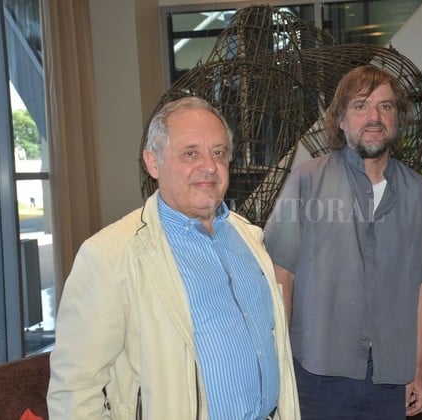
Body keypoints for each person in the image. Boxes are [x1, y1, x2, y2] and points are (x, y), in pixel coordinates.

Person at [47, 96, 300, 419]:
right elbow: (74, 393)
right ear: (153, 162)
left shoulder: (249, 239)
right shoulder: (109, 256)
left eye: (218, 152)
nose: (209, 167)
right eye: (190, 153)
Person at [264, 65, 422, 419]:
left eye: (385, 106)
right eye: (360, 106)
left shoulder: (420, 193)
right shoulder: (305, 182)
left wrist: (417, 369)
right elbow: (281, 276)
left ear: (397, 118)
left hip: (390, 379)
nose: (374, 117)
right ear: (340, 119)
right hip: (315, 375)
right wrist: (280, 367)